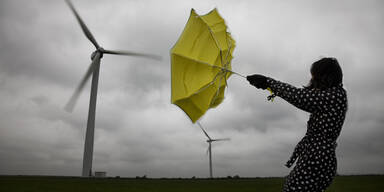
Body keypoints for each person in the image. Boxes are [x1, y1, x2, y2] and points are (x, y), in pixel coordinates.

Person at [247, 57, 348, 192]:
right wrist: (268, 84)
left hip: (318, 157)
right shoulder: (334, 95)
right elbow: (303, 95)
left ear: (325, 77)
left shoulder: (335, 96)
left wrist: (268, 82)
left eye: (314, 76)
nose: (312, 80)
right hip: (316, 155)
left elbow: (299, 97)